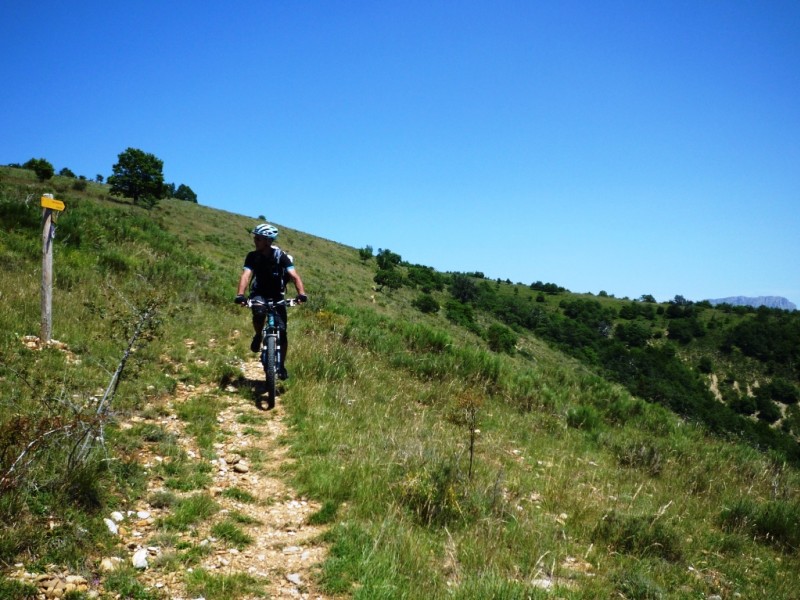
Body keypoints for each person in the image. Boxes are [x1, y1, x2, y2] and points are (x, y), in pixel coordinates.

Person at [235, 223, 307, 380]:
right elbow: (246, 275)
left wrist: (301, 294)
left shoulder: (281, 256)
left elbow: (294, 276)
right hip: (259, 292)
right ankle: (258, 335)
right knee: (259, 313)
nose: (255, 240)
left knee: (282, 332)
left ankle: (281, 366)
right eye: (255, 237)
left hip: (277, 295)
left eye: (258, 238)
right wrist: (240, 294)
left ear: (267, 241)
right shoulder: (252, 256)